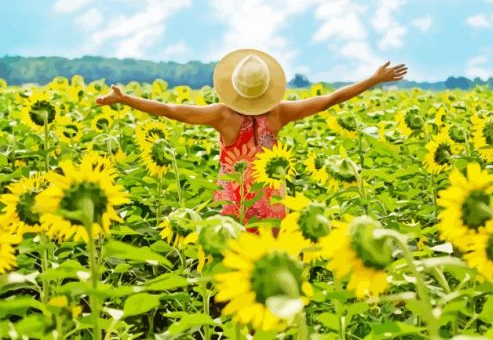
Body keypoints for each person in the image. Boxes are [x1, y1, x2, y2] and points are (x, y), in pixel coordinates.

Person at [95, 48, 407, 235]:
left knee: (234, 266)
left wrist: (126, 99)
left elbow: (171, 110)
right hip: (272, 203)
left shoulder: (222, 115)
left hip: (235, 205)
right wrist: (373, 79)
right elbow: (330, 99)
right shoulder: (279, 113)